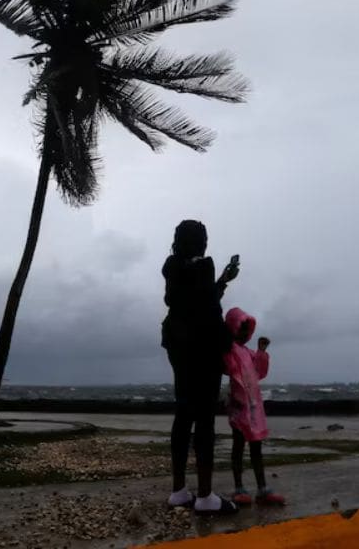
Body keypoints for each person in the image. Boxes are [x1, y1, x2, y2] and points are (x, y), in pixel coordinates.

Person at [161, 220, 239, 515]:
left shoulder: (172, 266)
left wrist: (222, 281)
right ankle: (206, 497)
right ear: (202, 242)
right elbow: (208, 308)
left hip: (177, 345)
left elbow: (186, 301)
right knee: (205, 418)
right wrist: (226, 345)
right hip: (202, 349)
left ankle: (179, 491)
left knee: (183, 414)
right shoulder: (204, 266)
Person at [223, 307, 285, 506]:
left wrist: (261, 352)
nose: (243, 333)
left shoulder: (248, 353)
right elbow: (229, 368)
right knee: (238, 445)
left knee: (256, 446)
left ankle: (262, 488)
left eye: (246, 329)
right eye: (240, 327)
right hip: (239, 406)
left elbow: (259, 372)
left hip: (253, 407)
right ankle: (239, 487)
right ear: (232, 328)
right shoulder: (229, 350)